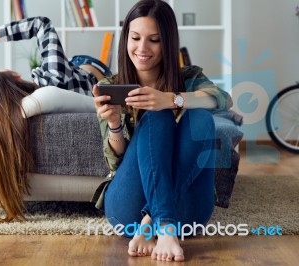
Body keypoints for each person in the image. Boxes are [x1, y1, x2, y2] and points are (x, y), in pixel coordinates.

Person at [91, 0, 232, 262]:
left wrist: (171, 99)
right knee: (156, 118)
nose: (142, 48)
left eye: (154, 40)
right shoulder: (110, 86)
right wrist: (114, 124)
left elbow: (222, 99)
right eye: (135, 38)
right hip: (127, 208)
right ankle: (164, 226)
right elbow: (116, 161)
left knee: (201, 118)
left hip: (187, 210)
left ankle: (153, 220)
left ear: (167, 42)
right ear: (126, 40)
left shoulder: (188, 78)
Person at [0, 16, 111, 222]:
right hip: (92, 69)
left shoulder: (20, 108)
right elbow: (41, 24)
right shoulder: (54, 76)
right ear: (16, 76)